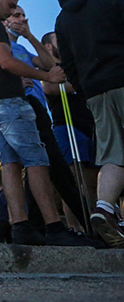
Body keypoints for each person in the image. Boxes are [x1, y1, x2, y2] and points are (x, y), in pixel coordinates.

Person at [0, 0, 89, 246]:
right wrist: (48, 77)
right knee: (37, 161)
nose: (13, 12)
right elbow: (6, 62)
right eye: (11, 6)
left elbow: (37, 61)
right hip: (10, 102)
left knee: (10, 163)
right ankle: (54, 226)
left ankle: (21, 225)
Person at [55, 0, 124, 247]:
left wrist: (85, 89)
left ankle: (104, 207)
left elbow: (67, 64)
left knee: (112, 154)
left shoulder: (63, 19)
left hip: (95, 92)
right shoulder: (113, 1)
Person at [5, 5, 88, 232]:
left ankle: (36, 224)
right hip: (23, 110)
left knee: (42, 168)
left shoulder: (21, 47)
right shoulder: (1, 47)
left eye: (24, 14)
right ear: (5, 20)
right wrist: (13, 85)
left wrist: (29, 35)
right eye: (16, 15)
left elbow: (51, 65)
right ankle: (75, 225)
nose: (22, 18)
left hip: (39, 112)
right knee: (53, 169)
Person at [40, 30, 99, 226]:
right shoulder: (51, 68)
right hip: (67, 126)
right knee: (74, 181)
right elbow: (49, 87)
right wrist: (82, 85)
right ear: (49, 46)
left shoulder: (74, 66)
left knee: (91, 183)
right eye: (58, 39)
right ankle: (76, 228)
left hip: (88, 125)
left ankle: (95, 227)